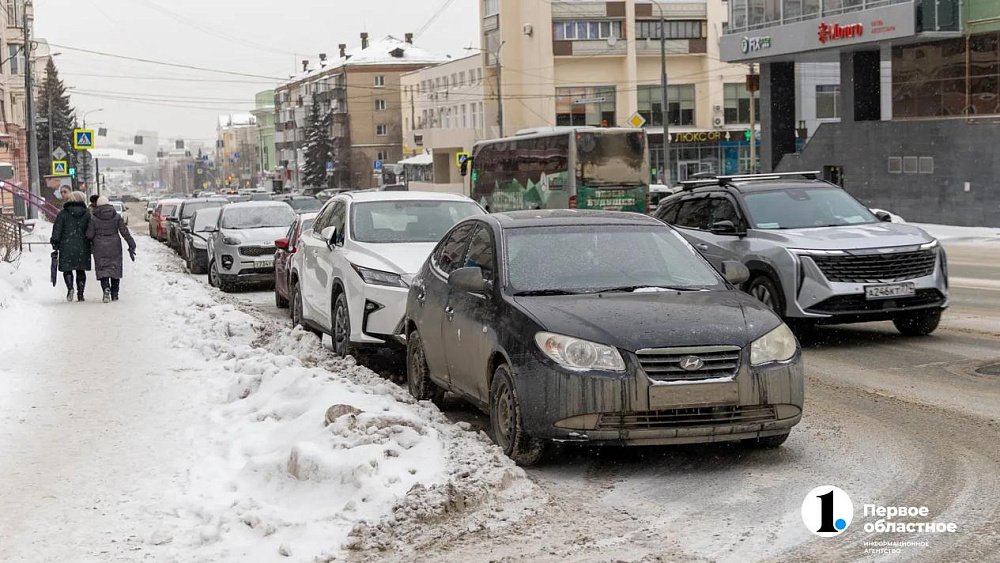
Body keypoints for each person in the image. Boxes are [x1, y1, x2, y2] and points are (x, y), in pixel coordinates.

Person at [87, 195, 137, 303]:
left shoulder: (93, 218)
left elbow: (90, 234)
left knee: (103, 268)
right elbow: (124, 232)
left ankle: (106, 289)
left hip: (99, 246)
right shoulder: (117, 217)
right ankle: (115, 294)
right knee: (115, 268)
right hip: (115, 245)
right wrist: (131, 244)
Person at [50, 191, 92, 302]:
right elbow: (91, 230)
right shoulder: (87, 214)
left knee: (67, 269)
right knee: (80, 270)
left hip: (66, 245)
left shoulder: (63, 213)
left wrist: (55, 241)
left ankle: (70, 288)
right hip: (83, 246)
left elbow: (57, 229)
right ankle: (81, 294)